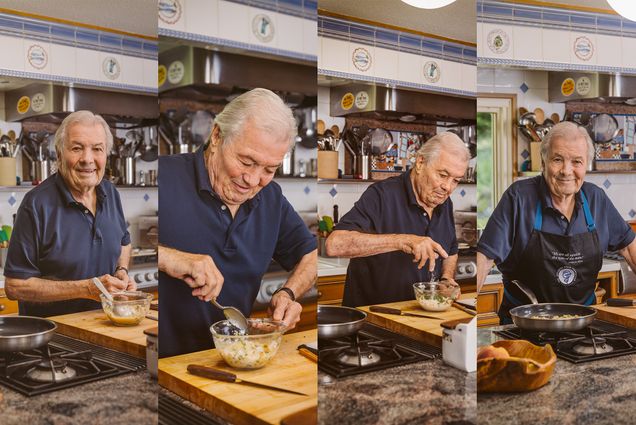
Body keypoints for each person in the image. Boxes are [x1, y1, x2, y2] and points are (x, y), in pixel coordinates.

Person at [158, 88, 317, 357]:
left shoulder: (271, 198)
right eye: (246, 162)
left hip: (233, 359)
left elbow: (310, 255)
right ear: (218, 136)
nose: (254, 181)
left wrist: (288, 293)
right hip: (163, 362)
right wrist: (169, 257)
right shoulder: (165, 177)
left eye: (269, 169)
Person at [477, 121, 636, 323]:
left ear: (586, 165)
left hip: (581, 324)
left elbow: (630, 248)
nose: (566, 171)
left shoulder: (596, 199)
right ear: (543, 162)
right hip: (524, 325)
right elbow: (484, 258)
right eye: (558, 159)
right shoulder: (519, 197)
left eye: (576, 162)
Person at [4, 111, 133, 317]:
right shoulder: (36, 204)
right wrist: (86, 288)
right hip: (54, 339)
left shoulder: (111, 192)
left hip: (106, 328)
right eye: (77, 148)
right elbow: (15, 286)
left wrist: (122, 271)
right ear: (59, 153)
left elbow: (124, 244)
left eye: (97, 149)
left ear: (106, 155)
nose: (87, 159)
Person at [326, 132, 470, 307]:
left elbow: (451, 251)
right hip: (373, 320)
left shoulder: (444, 203)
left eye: (456, 180)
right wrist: (403, 241)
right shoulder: (382, 195)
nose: (447, 187)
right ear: (420, 163)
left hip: (420, 320)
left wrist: (447, 278)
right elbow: (334, 245)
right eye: (442, 175)